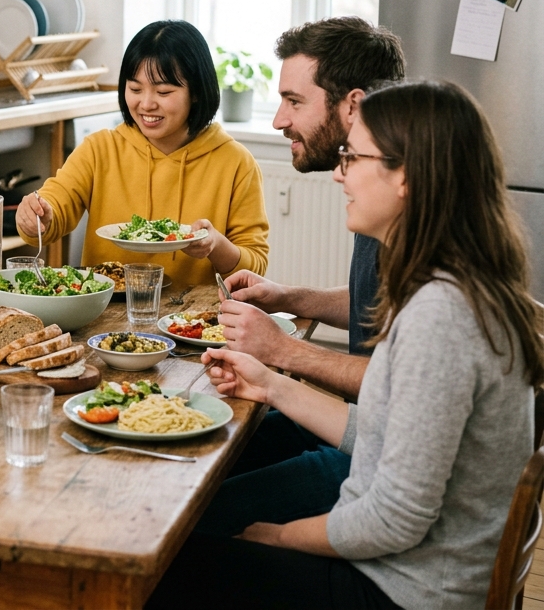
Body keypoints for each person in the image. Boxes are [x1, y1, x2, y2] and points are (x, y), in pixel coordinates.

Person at [149, 80, 542, 609]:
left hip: (403, 590)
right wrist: (270, 386)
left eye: (353, 157)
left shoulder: (441, 316)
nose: (339, 173)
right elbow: (379, 433)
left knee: (163, 561)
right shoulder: (451, 284)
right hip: (407, 571)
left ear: (406, 177)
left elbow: (393, 520)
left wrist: (277, 536)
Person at [195, 17, 404, 536]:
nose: (277, 120)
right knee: (198, 455)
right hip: (360, 428)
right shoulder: (379, 193)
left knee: (192, 515)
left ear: (352, 106)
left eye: (293, 100)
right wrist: (290, 297)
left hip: (373, 456)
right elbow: (375, 303)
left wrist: (281, 351)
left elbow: (397, 384)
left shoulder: (399, 210)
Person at [14, 19, 268, 285]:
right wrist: (36, 217)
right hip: (109, 305)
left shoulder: (235, 162)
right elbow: (55, 205)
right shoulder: (100, 150)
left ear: (196, 92)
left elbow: (255, 266)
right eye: (135, 89)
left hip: (194, 310)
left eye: (163, 91)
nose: (146, 104)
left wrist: (215, 245)